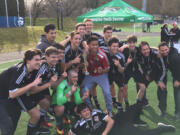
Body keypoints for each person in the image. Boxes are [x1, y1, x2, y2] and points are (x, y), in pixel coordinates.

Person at [0, 49, 51, 135]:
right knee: (8, 126)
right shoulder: (21, 71)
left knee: (12, 124)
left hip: (7, 98)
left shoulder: (29, 70)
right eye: (36, 60)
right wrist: (33, 84)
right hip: (5, 98)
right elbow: (12, 94)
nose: (39, 62)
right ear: (28, 61)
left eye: (40, 59)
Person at [68, 103, 176, 135]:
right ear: (80, 115)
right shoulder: (79, 124)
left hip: (118, 128)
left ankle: (162, 128)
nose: (87, 113)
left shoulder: (96, 113)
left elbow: (110, 121)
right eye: (84, 112)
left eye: (87, 110)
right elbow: (70, 133)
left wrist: (104, 133)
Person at [81, 36, 113, 116]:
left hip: (101, 75)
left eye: (96, 44)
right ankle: (90, 109)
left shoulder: (102, 55)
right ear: (88, 45)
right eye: (93, 45)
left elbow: (108, 68)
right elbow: (81, 65)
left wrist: (102, 70)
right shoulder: (85, 53)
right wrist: (83, 67)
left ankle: (109, 111)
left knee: (107, 92)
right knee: (83, 91)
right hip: (90, 75)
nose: (95, 46)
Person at [51, 70, 89, 135]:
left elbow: (77, 101)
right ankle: (59, 125)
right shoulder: (62, 85)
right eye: (73, 77)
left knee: (78, 108)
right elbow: (59, 102)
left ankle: (66, 115)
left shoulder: (76, 85)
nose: (76, 79)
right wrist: (70, 91)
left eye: (76, 77)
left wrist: (83, 98)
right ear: (68, 77)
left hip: (67, 102)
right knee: (61, 108)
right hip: (56, 104)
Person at [158, 42, 180, 119]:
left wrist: (178, 80)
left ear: (169, 48)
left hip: (178, 77)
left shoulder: (174, 57)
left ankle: (178, 113)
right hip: (176, 75)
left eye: (166, 50)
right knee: (177, 94)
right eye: (162, 50)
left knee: (177, 95)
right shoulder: (170, 53)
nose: (164, 52)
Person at [105, 37, 125, 110]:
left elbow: (122, 70)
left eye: (117, 46)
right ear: (109, 47)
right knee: (109, 88)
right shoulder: (104, 54)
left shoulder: (120, 56)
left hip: (118, 74)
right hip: (108, 73)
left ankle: (119, 104)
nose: (116, 48)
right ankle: (112, 102)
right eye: (113, 46)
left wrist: (118, 65)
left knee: (122, 88)